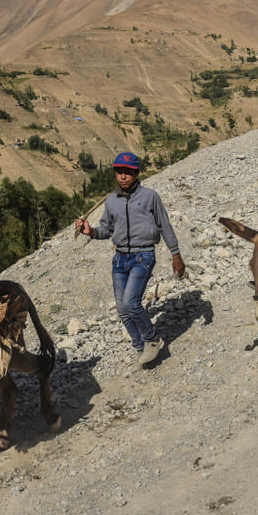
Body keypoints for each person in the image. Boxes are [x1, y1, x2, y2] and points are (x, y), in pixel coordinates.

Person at [76, 152, 186, 368]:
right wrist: (90, 232)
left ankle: (152, 339)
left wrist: (176, 254)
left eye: (128, 172)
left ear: (136, 173)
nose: (123, 176)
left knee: (131, 303)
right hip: (119, 258)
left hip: (142, 256)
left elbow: (164, 225)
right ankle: (140, 348)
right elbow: (106, 230)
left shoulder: (150, 196)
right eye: (119, 172)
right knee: (122, 309)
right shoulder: (111, 201)